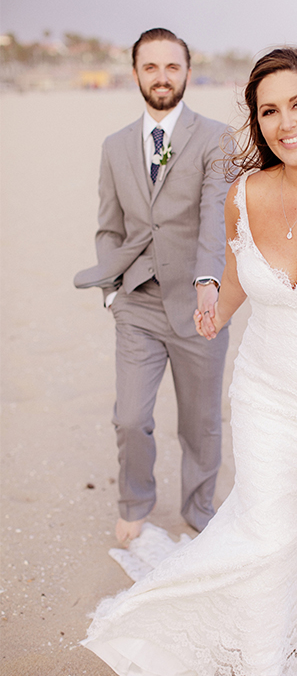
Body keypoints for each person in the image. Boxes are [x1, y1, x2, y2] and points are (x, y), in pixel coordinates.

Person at [81, 47, 297, 676]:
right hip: (266, 395)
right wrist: (204, 307)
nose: (286, 122)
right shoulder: (244, 195)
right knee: (265, 530)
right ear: (257, 123)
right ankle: (261, 659)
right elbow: (232, 285)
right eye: (268, 112)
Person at [74, 28, 230, 544]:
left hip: (198, 305)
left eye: (172, 67)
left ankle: (199, 508)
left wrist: (209, 282)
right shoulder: (114, 146)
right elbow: (107, 226)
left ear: (187, 71)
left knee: (201, 423)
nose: (162, 77)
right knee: (130, 418)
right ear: (136, 73)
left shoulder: (216, 138)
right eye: (151, 67)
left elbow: (214, 218)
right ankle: (135, 501)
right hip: (136, 304)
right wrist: (113, 293)